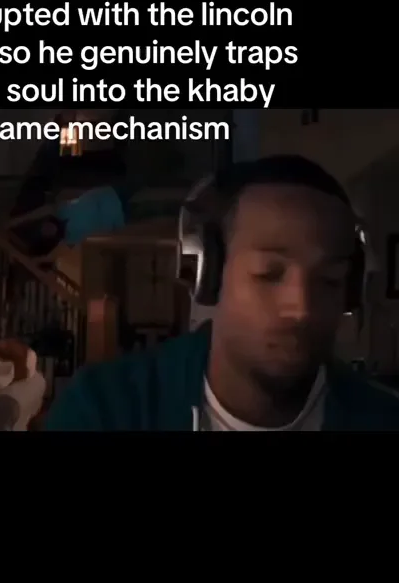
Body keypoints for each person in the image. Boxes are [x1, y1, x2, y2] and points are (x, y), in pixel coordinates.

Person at [44, 155, 399, 432]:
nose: (301, 308)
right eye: (269, 274)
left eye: (330, 280)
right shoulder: (104, 409)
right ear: (207, 273)